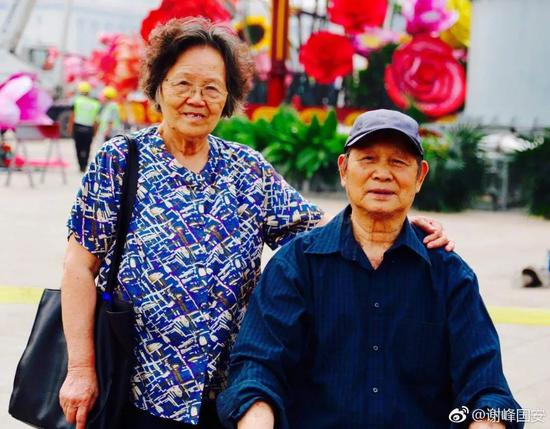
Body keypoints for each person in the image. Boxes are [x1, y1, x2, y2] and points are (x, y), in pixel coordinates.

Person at [58, 18, 452, 429]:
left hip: (228, 397)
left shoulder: (248, 170)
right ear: (158, 86)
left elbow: (319, 233)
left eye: (212, 88)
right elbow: (79, 266)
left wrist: (390, 222)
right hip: (136, 390)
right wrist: (81, 369)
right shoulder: (121, 160)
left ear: (228, 95)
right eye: (183, 84)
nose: (197, 99)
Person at [218, 109, 522, 429]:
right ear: (343, 169)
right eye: (368, 159)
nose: (382, 174)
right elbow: (256, 371)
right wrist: (257, 416)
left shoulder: (449, 275)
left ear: (420, 177)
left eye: (398, 162)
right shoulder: (295, 266)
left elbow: (489, 390)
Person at [68, 81, 101, 172]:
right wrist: (95, 131)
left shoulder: (76, 101)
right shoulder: (95, 103)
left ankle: (80, 166)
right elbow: (96, 120)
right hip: (89, 128)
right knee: (87, 148)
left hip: (77, 127)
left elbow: (72, 116)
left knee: (78, 147)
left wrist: (70, 128)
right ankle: (85, 166)